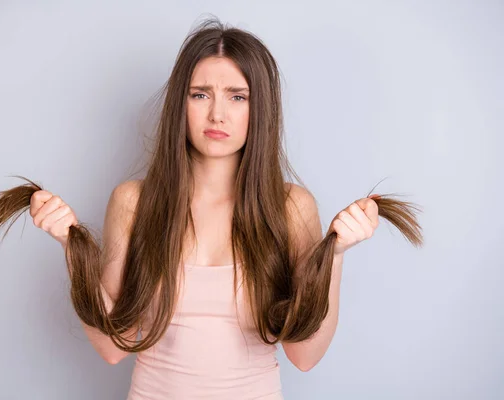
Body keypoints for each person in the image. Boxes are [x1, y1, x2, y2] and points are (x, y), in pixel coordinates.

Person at [23, 18, 385, 399]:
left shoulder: (291, 207)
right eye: (200, 95)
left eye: (237, 96)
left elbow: (305, 354)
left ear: (260, 108)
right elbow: (114, 346)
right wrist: (71, 246)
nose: (217, 114)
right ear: (180, 103)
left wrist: (336, 257)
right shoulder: (133, 203)